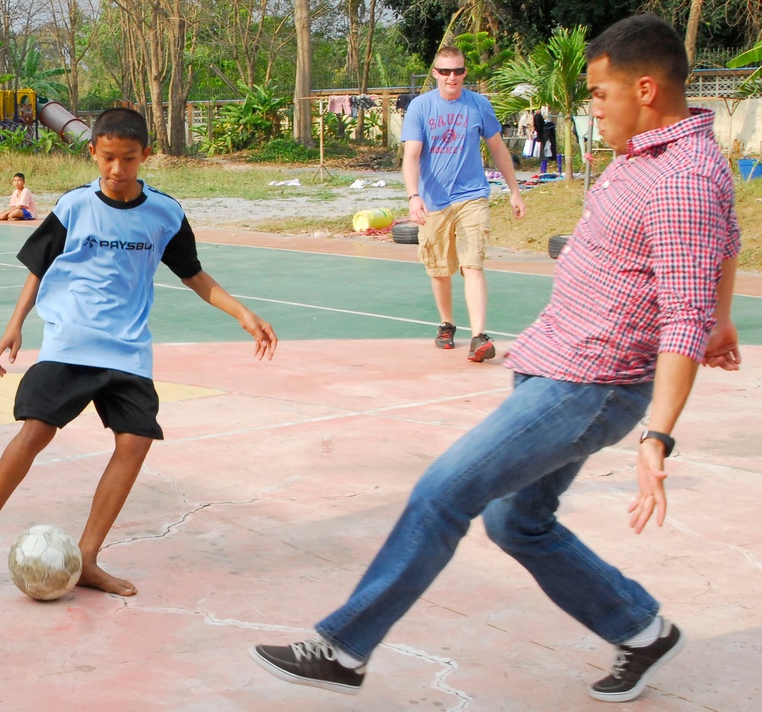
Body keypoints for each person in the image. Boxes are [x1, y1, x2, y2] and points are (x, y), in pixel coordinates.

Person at [252, 14, 740, 704]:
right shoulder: (651, 155)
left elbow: (683, 317)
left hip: (588, 383)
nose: (590, 107)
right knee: (519, 521)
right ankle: (640, 629)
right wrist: (725, 320)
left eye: (600, 94)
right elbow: (729, 243)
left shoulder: (683, 176)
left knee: (444, 491)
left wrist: (658, 434)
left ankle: (344, 647)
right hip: (557, 360)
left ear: (648, 88)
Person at [0, 108, 278, 595]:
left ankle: (88, 557)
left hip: (128, 350)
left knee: (135, 440)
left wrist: (241, 313)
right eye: (107, 158)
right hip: (70, 339)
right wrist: (14, 325)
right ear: (93, 153)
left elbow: (193, 274)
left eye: (128, 159)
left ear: (146, 155)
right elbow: (38, 267)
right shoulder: (75, 205)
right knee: (36, 431)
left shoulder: (164, 213)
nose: (117, 170)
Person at [401, 47, 526, 362]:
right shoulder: (420, 107)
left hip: (472, 196)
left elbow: (497, 149)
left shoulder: (478, 105)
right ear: (435, 73)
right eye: (445, 71)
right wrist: (413, 196)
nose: (451, 77)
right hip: (433, 202)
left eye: (457, 71)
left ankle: (479, 336)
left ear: (465, 73)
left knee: (473, 264)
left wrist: (514, 189)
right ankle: (446, 324)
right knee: (440, 269)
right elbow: (412, 155)